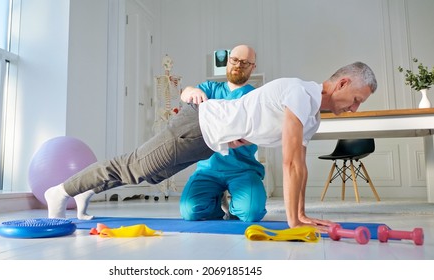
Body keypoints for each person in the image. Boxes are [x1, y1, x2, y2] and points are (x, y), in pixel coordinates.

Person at [45, 61, 377, 230]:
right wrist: (294, 221)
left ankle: (85, 189)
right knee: (133, 166)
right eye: (356, 99)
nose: (354, 108)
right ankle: (60, 191)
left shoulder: (313, 116)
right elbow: (290, 163)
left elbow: (300, 167)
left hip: (208, 140)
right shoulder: (300, 94)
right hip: (197, 125)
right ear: (343, 83)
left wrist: (301, 213)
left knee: (147, 177)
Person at [179, 44, 266, 222]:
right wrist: (192, 91)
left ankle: (234, 208)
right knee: (190, 211)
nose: (238, 65)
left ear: (252, 67)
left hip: (243, 169)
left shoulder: (257, 96)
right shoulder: (210, 89)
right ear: (228, 61)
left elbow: (263, 129)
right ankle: (216, 200)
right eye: (234, 60)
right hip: (209, 168)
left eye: (245, 62)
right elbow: (186, 94)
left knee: (250, 213)